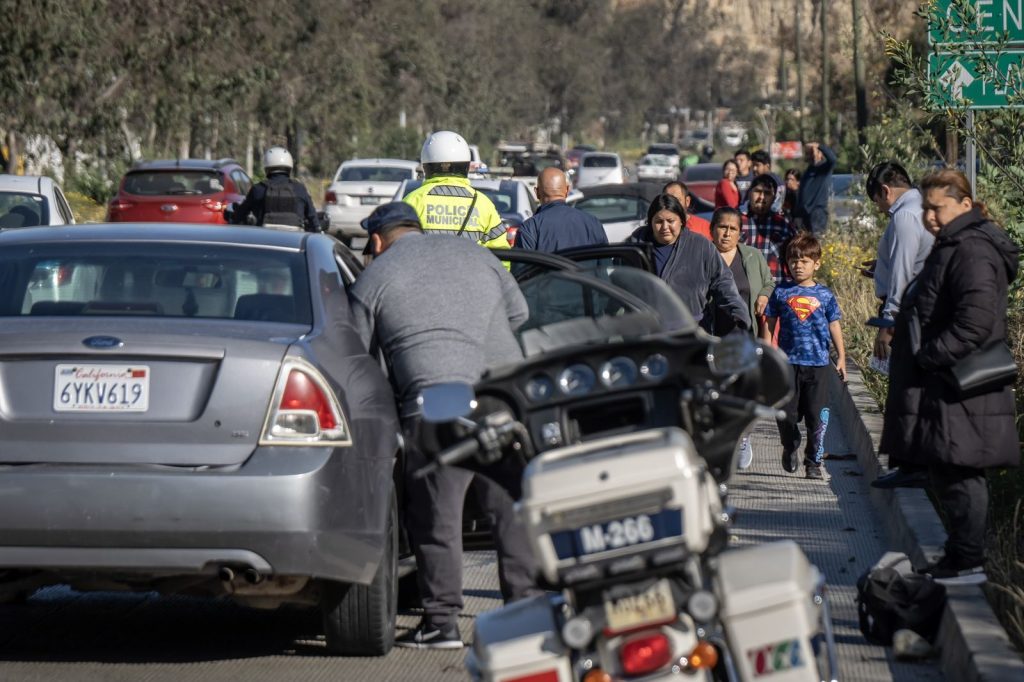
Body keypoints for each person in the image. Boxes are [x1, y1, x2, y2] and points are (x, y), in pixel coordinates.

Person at [348, 202, 536, 648]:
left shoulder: (374, 276)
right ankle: (525, 616)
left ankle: (441, 623)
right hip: (502, 398)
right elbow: (520, 316)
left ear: (377, 241)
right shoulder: (477, 255)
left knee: (438, 518)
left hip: (436, 402)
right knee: (510, 512)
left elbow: (356, 354)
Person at [880, 170, 1019, 584]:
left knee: (961, 472)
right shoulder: (956, 243)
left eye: (936, 208)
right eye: (924, 208)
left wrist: (929, 355)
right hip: (949, 383)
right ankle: (960, 556)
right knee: (949, 468)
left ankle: (968, 561)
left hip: (962, 384)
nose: (929, 217)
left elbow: (975, 323)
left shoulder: (972, 249)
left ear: (963, 204)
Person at [864, 162, 935, 490]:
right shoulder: (920, 208)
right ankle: (910, 464)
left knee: (905, 392)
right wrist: (881, 267)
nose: (880, 208)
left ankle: (909, 467)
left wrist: (887, 323)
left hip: (906, 315)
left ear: (885, 190)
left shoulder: (906, 216)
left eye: (877, 201)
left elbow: (905, 272)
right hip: (916, 312)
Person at [762, 233, 846, 480]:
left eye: (805, 260)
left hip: (818, 365)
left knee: (816, 417)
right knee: (785, 414)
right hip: (788, 364)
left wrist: (841, 357)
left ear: (817, 263)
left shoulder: (825, 295)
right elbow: (769, 322)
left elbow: (834, 325)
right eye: (793, 260)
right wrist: (767, 352)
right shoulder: (781, 292)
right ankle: (790, 444)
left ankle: (813, 462)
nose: (798, 265)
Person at [708, 206, 775, 470]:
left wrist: (764, 295)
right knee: (716, 393)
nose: (726, 233)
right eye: (722, 227)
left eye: (732, 229)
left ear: (740, 233)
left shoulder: (753, 257)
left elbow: (769, 282)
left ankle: (743, 438)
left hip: (744, 338)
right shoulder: (703, 255)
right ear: (712, 229)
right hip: (711, 337)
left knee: (743, 393)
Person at [626, 193, 749, 334]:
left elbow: (724, 283)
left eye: (670, 221)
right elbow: (618, 285)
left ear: (681, 221)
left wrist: (739, 314)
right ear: (651, 222)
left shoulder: (701, 246)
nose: (665, 227)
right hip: (649, 334)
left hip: (693, 334)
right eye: (659, 222)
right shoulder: (634, 248)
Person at [403, 130, 510, 253]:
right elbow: (502, 257)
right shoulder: (483, 204)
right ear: (466, 166)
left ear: (426, 166)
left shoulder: (412, 201)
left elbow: (399, 250)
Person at [513, 167, 607, 251]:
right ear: (567, 190)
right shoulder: (593, 223)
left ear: (537, 192)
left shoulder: (530, 228)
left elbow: (521, 269)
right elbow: (604, 266)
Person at [231, 146, 320, 231]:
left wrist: (233, 214)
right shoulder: (300, 189)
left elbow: (239, 216)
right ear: (289, 168)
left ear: (266, 168)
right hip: (295, 244)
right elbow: (314, 220)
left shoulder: (258, 189)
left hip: (264, 242)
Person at [741, 174, 798, 284]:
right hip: (745, 287)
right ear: (750, 193)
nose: (761, 197)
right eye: (757, 191)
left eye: (767, 193)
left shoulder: (783, 224)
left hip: (777, 286)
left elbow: (796, 256)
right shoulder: (737, 222)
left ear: (774, 197)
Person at [793, 141, 837, 235]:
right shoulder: (809, 170)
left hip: (817, 213)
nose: (811, 155)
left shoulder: (823, 169)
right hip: (804, 213)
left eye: (813, 152)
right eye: (809, 153)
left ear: (821, 154)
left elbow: (832, 159)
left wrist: (818, 146)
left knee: (816, 241)